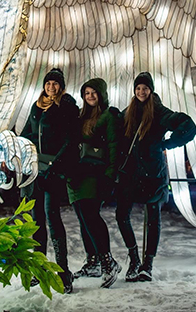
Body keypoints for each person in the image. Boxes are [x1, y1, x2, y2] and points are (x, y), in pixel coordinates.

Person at [115, 72, 196, 282]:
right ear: (134, 91)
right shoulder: (129, 111)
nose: (141, 92)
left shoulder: (159, 111)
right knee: (121, 214)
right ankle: (134, 259)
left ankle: (147, 264)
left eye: (145, 88)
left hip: (153, 173)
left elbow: (188, 127)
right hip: (131, 173)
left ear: (150, 90)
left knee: (153, 218)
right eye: (138, 88)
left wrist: (165, 144)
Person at [20, 68, 78, 293]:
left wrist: (56, 165)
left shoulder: (65, 106)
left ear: (61, 87)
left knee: (52, 219)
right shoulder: (36, 107)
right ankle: (38, 268)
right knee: (36, 221)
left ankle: (63, 272)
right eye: (48, 83)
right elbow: (26, 133)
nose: (51, 87)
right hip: (35, 170)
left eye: (55, 84)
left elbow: (70, 138)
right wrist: (24, 151)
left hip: (53, 171)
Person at [67, 78, 122, 288]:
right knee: (83, 217)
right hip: (80, 173)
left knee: (90, 215)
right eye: (86, 93)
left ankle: (108, 262)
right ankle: (93, 261)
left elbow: (114, 147)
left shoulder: (108, 116)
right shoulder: (81, 117)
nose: (90, 96)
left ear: (101, 94)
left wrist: (110, 176)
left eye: (93, 93)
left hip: (96, 174)